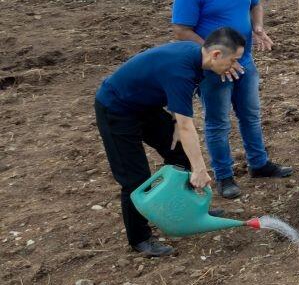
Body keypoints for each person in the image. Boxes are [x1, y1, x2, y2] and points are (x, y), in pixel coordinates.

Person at [95, 28, 246, 257]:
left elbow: (176, 102)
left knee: (178, 153)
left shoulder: (197, 58)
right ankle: (140, 239)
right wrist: (200, 169)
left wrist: (175, 122)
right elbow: (187, 126)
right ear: (216, 54)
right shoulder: (181, 71)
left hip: (145, 106)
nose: (234, 65)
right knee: (135, 178)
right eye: (233, 60)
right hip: (116, 108)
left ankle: (188, 211)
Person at [171, 0, 293, 200]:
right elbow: (182, 31)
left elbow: (255, 4)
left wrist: (258, 28)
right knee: (218, 122)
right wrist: (218, 56)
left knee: (251, 114)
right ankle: (224, 175)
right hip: (215, 69)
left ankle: (258, 164)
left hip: (244, 61)